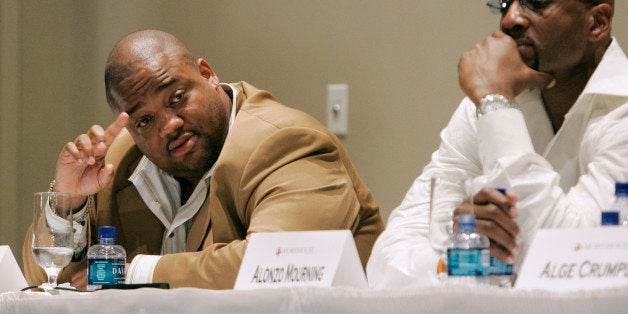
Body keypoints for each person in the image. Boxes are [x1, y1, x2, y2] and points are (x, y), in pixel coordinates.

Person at [22, 29, 384, 289]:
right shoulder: (119, 165)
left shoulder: (286, 143)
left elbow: (277, 269)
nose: (169, 126)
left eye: (177, 97)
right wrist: (69, 206)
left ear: (208, 75)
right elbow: (42, 285)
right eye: (144, 120)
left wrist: (132, 274)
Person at [367, 0, 627, 288]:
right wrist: (464, 255)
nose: (509, 19)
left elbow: (569, 264)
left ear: (597, 23)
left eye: (535, 4)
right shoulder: (488, 100)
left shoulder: (494, 98)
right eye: (504, 3)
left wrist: (496, 102)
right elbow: (387, 260)